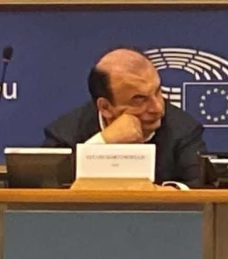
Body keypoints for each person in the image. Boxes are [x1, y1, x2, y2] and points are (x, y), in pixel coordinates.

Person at [43, 47, 206, 187]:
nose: (157, 108)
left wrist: (155, 193)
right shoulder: (65, 134)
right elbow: (47, 186)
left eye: (157, 92)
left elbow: (201, 187)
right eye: (139, 99)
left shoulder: (184, 131)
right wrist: (103, 142)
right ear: (105, 107)